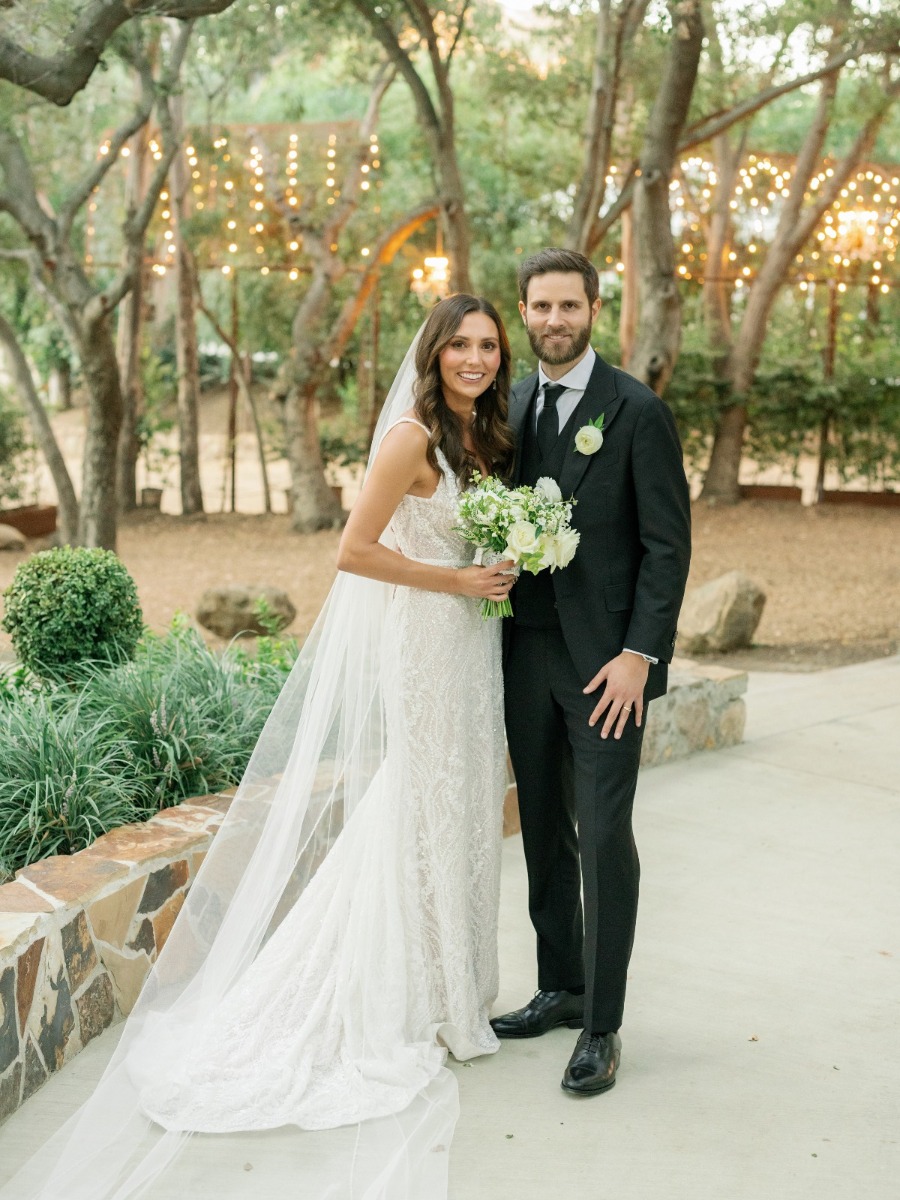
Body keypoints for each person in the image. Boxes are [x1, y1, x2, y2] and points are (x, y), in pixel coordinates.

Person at [0, 294, 517, 1200]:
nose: (475, 358)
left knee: (461, 806)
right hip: (428, 645)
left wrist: (504, 565)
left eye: (487, 346)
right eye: (461, 345)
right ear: (433, 353)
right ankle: (409, 997)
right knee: (421, 806)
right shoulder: (411, 438)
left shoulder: (481, 435)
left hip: (472, 644)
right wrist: (456, 577)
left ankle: (451, 991)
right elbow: (352, 552)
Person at [492, 248, 691, 1096]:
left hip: (608, 669)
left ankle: (602, 1026)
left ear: (595, 308)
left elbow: (666, 546)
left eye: (568, 305)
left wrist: (639, 657)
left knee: (604, 839)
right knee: (542, 829)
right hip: (522, 652)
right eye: (540, 307)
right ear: (525, 313)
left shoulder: (635, 411)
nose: (553, 320)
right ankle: (561, 986)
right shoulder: (509, 403)